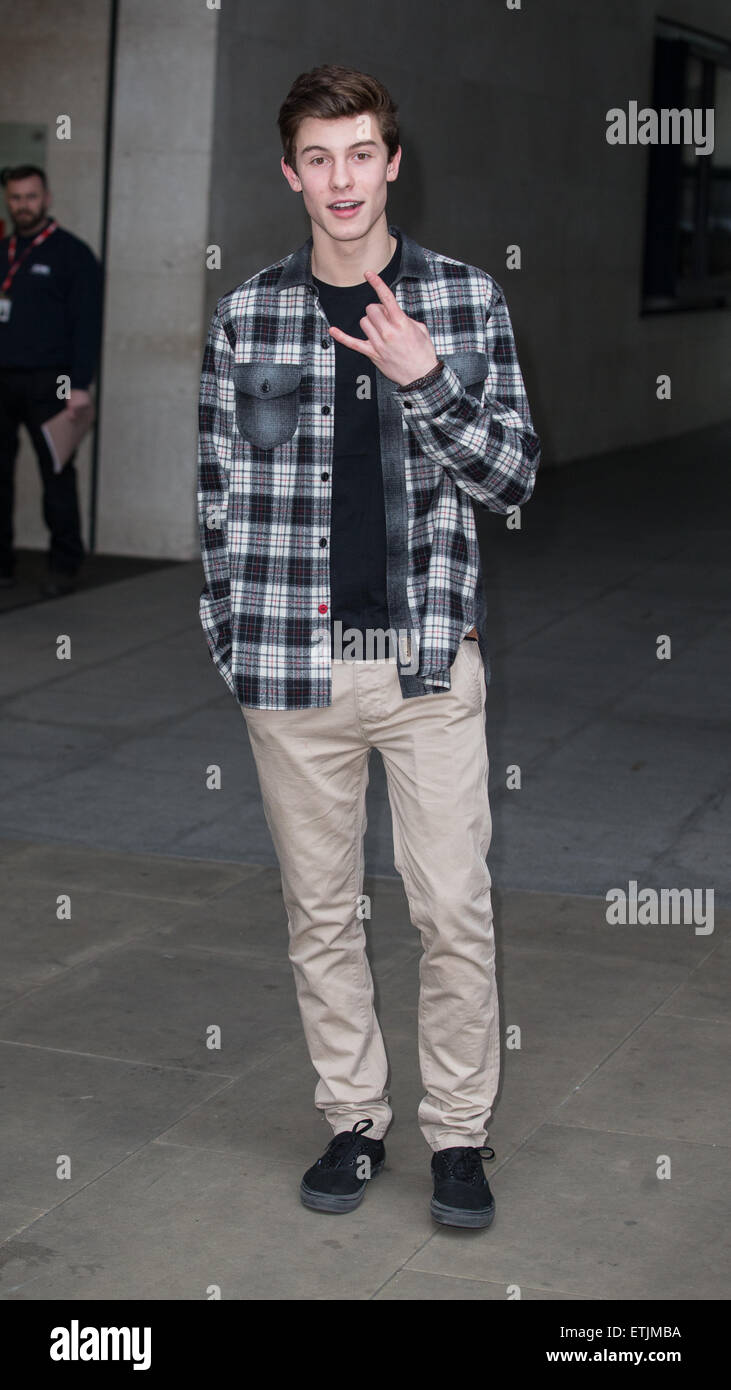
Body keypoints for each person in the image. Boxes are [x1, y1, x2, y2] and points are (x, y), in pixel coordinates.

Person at [197, 65, 541, 1228]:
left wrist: (427, 378)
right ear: (289, 171)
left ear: (392, 163)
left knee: (451, 910)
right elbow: (216, 493)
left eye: (361, 154)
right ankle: (352, 1122)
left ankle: (456, 1136)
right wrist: (231, 638)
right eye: (318, 158)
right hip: (290, 672)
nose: (341, 180)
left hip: (426, 663)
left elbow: (511, 480)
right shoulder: (247, 313)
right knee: (322, 915)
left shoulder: (461, 300)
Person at [0, 165, 103, 596]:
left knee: (56, 476)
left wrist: (80, 385)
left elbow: (87, 325)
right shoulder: (2, 250)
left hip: (54, 384)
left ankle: (65, 565)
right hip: (2, 381)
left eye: (31, 196)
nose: (24, 205)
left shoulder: (72, 254)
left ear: (47, 198)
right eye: (16, 198)